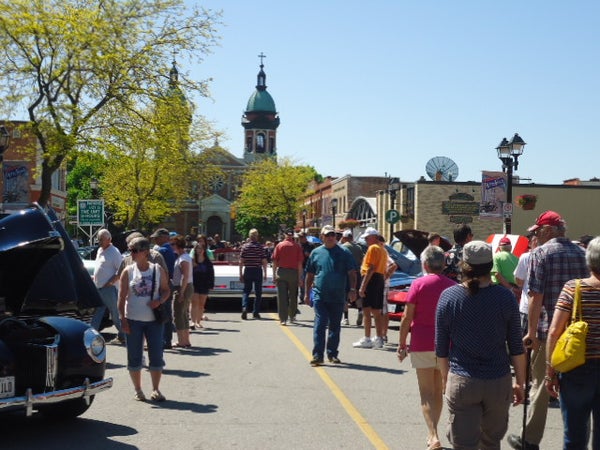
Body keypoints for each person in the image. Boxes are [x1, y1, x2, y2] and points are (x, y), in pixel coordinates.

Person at [508, 211, 588, 450]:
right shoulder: (582, 254)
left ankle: (530, 439)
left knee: (541, 386)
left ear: (547, 231)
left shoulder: (540, 254)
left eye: (537, 232)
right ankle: (576, 440)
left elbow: (535, 296)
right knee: (574, 388)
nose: (536, 236)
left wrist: (530, 332)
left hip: (546, 331)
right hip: (576, 333)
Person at [436, 240, 526, 449]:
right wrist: (520, 382)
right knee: (491, 442)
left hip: (462, 380)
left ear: (463, 265)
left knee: (463, 444)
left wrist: (444, 379)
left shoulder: (449, 297)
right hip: (498, 381)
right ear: (490, 265)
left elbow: (441, 348)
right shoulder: (505, 297)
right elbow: (516, 346)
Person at [398, 245, 455, 450]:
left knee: (425, 392)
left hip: (421, 342)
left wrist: (402, 343)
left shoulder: (418, 284)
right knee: (438, 391)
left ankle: (432, 435)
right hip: (445, 345)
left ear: (425, 264)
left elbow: (406, 317)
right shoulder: (452, 286)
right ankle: (434, 432)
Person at [546, 236, 600, 450]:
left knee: (575, 435)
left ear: (589, 260)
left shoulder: (573, 288)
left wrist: (550, 373)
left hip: (577, 369)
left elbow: (554, 332)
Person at [118, 237, 170, 402]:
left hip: (154, 321)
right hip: (133, 320)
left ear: (145, 252)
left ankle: (155, 389)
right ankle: (138, 390)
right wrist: (122, 319)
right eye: (130, 250)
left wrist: (159, 301)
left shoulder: (157, 269)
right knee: (134, 356)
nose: (131, 253)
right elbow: (121, 297)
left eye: (135, 250)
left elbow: (166, 290)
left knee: (156, 355)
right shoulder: (128, 271)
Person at [304, 225, 357, 366]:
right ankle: (317, 355)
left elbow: (352, 273)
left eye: (332, 235)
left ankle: (332, 354)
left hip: (338, 296)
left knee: (335, 326)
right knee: (320, 324)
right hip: (320, 295)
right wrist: (306, 293)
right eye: (327, 235)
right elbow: (309, 274)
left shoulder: (344, 252)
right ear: (322, 237)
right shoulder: (316, 253)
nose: (330, 237)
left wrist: (352, 289)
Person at [353, 227, 388, 349]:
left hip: (371, 279)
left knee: (367, 311)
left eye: (368, 237)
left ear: (374, 237)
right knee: (377, 312)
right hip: (379, 279)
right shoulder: (383, 249)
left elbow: (371, 268)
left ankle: (367, 338)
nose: (366, 240)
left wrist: (362, 286)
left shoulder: (373, 248)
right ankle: (379, 338)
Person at [91, 229, 124, 342]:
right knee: (98, 312)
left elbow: (121, 269)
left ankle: (124, 335)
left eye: (101, 239)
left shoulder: (114, 251)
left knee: (115, 313)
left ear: (109, 239)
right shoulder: (100, 250)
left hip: (109, 288)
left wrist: (110, 282)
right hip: (99, 288)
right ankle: (91, 335)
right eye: (98, 239)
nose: (99, 241)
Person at [150, 228, 176, 350]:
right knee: (167, 312)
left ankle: (164, 340)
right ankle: (167, 339)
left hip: (162, 283)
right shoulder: (169, 250)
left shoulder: (162, 250)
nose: (155, 239)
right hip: (167, 281)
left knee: (162, 312)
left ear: (165, 237)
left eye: (157, 237)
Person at [272, 228, 304, 325]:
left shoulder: (279, 245)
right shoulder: (297, 246)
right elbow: (299, 264)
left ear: (285, 235)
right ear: (292, 235)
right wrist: (300, 277)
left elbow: (274, 261)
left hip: (282, 272)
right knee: (293, 296)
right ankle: (292, 316)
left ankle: (283, 319)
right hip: (293, 273)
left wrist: (274, 275)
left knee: (282, 297)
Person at [239, 228, 268, 320]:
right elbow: (264, 261)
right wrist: (265, 273)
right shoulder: (260, 247)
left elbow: (241, 261)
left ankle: (244, 307)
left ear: (249, 236)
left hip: (248, 270)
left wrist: (240, 274)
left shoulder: (245, 247)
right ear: (257, 236)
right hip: (257, 270)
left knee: (246, 291)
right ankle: (255, 312)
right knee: (258, 292)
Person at [170, 235, 193, 348]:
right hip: (185, 287)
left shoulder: (183, 259)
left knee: (178, 314)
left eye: (173, 244)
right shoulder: (183, 257)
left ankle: (181, 340)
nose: (171, 246)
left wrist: (181, 293)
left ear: (178, 245)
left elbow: (185, 276)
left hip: (183, 287)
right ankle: (185, 340)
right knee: (183, 314)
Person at [514, 235, 538, 335]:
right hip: (546, 310)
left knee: (524, 343)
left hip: (527, 307)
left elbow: (519, 281)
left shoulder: (525, 257)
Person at [340, 229, 365, 326]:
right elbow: (361, 260)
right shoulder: (358, 247)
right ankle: (360, 311)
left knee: (345, 295)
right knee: (356, 293)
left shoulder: (343, 248)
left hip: (346, 273)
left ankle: (346, 318)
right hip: (357, 273)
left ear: (345, 238)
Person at [191, 235, 215, 328]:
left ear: (204, 250)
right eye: (197, 248)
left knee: (201, 304)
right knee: (194, 302)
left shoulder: (208, 262)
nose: (199, 250)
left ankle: (198, 321)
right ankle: (193, 322)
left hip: (204, 284)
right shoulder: (192, 261)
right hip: (194, 283)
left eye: (200, 248)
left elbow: (211, 274)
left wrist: (211, 284)